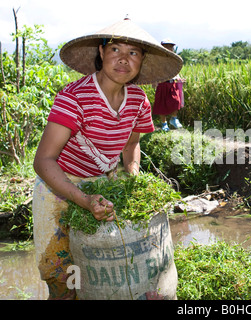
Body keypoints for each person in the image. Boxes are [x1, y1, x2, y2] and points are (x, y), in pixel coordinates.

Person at [32, 18, 182, 299]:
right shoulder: (74, 97)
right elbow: (43, 161)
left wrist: (132, 172)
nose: (124, 59)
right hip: (60, 188)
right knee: (61, 274)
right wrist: (83, 199)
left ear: (142, 60)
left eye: (133, 53)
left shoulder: (138, 99)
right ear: (101, 53)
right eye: (115, 49)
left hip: (103, 183)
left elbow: (131, 144)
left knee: (105, 269)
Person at [152, 38, 185, 131]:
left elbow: (176, 72)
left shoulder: (174, 60)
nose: (169, 48)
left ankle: (174, 119)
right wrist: (154, 82)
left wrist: (179, 79)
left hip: (172, 84)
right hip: (162, 84)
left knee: (176, 101)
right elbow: (154, 72)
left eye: (171, 46)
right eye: (166, 46)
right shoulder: (158, 60)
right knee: (161, 105)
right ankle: (164, 124)